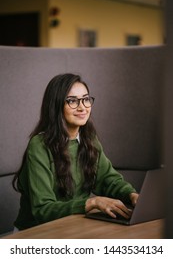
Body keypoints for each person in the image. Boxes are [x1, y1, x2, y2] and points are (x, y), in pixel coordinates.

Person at [13, 73, 139, 230]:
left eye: (86, 99)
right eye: (72, 101)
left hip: (74, 227)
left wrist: (132, 196)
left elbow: (108, 180)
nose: (82, 107)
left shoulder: (89, 139)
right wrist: (91, 202)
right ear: (56, 106)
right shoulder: (39, 145)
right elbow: (43, 210)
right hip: (35, 233)